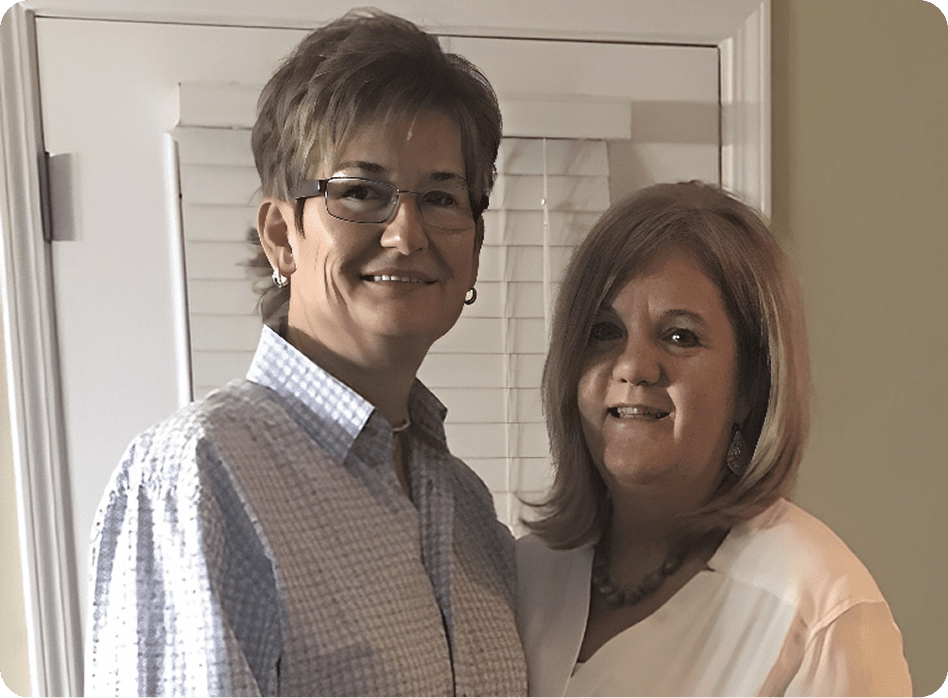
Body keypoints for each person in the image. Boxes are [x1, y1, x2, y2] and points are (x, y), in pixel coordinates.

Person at [85, 9, 526, 697]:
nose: (407, 233)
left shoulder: (467, 508)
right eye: (360, 192)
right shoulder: (199, 478)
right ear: (282, 235)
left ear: (473, 251)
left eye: (441, 196)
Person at [517, 181, 912, 696]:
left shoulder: (821, 613)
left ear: (750, 386)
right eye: (603, 331)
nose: (633, 365)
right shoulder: (524, 575)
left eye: (680, 336)